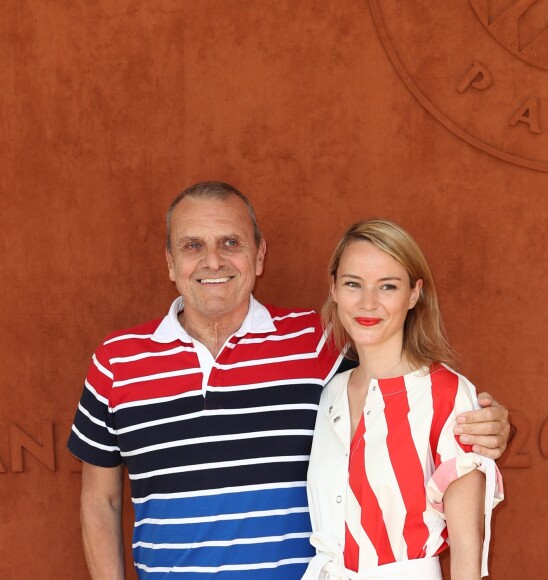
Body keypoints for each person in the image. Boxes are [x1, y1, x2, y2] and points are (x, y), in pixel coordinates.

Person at [67, 182, 509, 579]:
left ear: (259, 255)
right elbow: (100, 500)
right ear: (170, 261)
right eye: (192, 245)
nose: (213, 260)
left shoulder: (319, 343)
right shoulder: (116, 361)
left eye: (230, 242)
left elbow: (408, 385)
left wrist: (486, 422)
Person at [303, 220, 504, 580]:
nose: (368, 302)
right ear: (333, 288)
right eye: (353, 284)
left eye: (388, 286)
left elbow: (466, 552)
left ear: (414, 294)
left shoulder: (447, 393)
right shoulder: (331, 393)